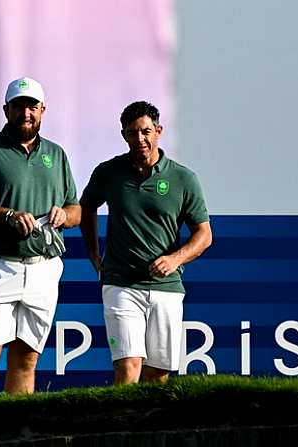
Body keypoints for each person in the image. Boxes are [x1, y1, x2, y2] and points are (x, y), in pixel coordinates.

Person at [0, 77, 81, 394]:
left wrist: (64, 216)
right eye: (20, 105)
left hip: (43, 266)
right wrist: (7, 216)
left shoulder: (56, 154)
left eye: (32, 106)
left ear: (42, 110)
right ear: (7, 109)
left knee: (27, 357)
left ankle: (15, 433)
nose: (27, 112)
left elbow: (75, 209)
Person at [78, 100, 212, 385]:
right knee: (128, 367)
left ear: (158, 131)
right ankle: (119, 428)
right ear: (124, 135)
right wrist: (93, 251)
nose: (140, 138)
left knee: (158, 373)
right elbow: (86, 206)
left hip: (166, 287)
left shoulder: (183, 178)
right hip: (120, 283)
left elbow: (204, 234)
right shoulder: (109, 172)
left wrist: (175, 259)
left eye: (145, 131)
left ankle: (146, 430)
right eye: (132, 133)